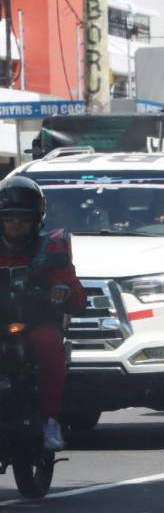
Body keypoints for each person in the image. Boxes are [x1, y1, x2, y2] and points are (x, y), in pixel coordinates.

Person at [0, 177, 86, 450]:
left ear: (36, 220)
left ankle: (50, 420)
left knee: (49, 344)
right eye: (9, 218)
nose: (15, 224)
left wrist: (64, 291)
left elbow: (75, 293)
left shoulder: (51, 247)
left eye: (23, 218)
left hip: (35, 321)